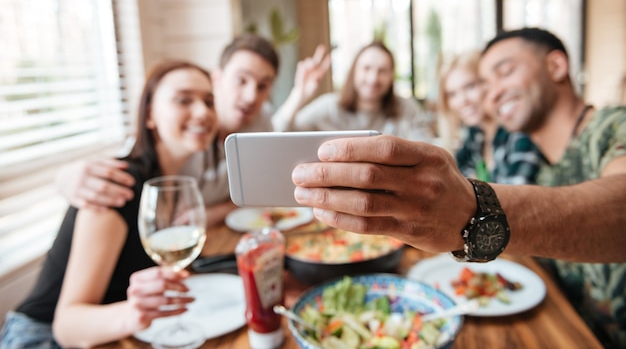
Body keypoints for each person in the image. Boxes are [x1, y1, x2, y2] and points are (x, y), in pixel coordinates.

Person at [290, 28, 626, 348]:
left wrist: (474, 210)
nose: (490, 94)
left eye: (503, 72)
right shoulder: (541, 158)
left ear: (556, 65)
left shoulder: (612, 127)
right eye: (485, 82)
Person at [0, 60, 219, 348]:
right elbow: (67, 326)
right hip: (39, 337)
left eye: (209, 101)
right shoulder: (117, 186)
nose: (203, 111)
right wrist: (135, 312)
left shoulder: (170, 183)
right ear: (150, 115)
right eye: (183, 99)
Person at [54, 34, 330, 225]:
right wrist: (65, 177)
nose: (250, 96)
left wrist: (299, 94)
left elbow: (266, 177)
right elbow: (133, 164)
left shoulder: (260, 123)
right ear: (217, 79)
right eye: (241, 80)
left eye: (262, 85)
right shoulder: (185, 136)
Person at [273, 41, 433, 142]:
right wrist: (299, 94)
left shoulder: (406, 108)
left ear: (391, 76)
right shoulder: (328, 107)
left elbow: (427, 151)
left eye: (382, 71)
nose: (373, 78)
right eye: (366, 68)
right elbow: (276, 133)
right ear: (354, 72)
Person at [439, 50, 544, 184]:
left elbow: (515, 197)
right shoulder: (475, 136)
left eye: (470, 86)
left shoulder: (518, 131)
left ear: (489, 84)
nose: (462, 101)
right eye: (452, 94)